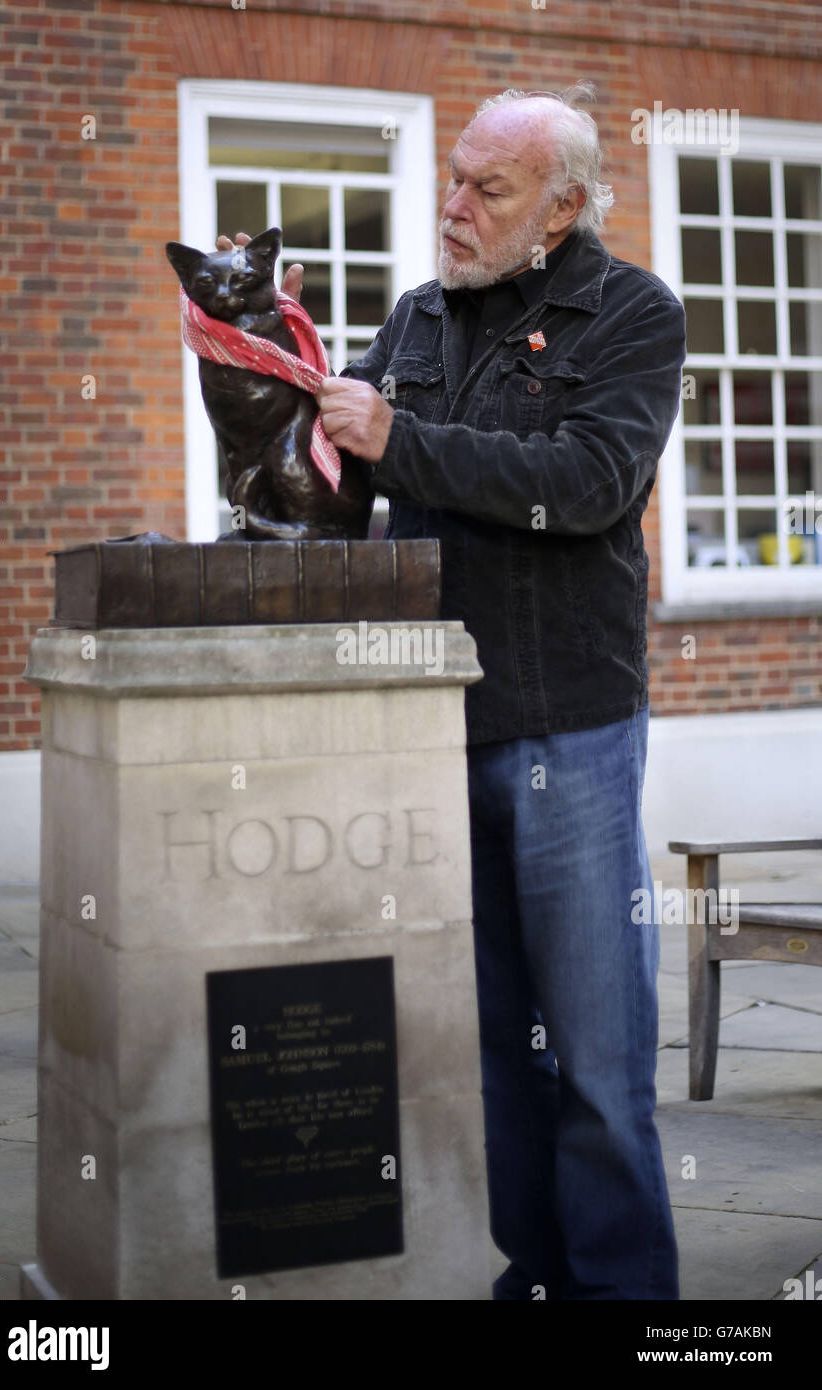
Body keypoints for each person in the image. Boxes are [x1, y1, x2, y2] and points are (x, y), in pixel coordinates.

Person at [219, 81, 685, 1301]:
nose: (455, 207)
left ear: (563, 209)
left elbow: (585, 484)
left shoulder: (630, 314)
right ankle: (532, 1280)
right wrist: (274, 374)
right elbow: (342, 490)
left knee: (594, 1062)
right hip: (433, 729)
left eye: (490, 188)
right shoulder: (418, 319)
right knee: (491, 1058)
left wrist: (395, 439)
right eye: (455, 180)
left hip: (571, 730)